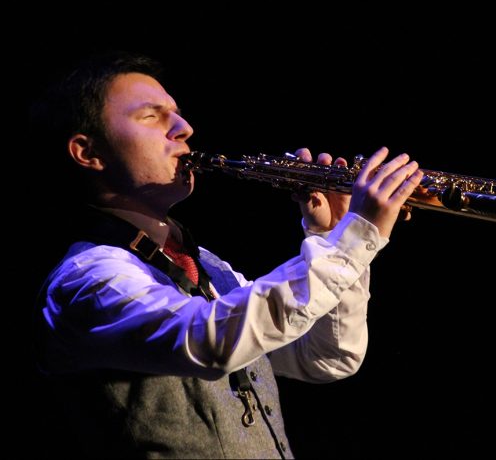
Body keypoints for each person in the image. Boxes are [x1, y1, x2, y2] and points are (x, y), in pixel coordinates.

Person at [31, 51, 423, 458]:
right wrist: (355, 238)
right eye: (152, 117)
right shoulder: (86, 280)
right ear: (88, 152)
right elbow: (211, 339)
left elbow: (325, 357)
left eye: (178, 114)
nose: (184, 128)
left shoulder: (207, 265)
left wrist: (331, 232)